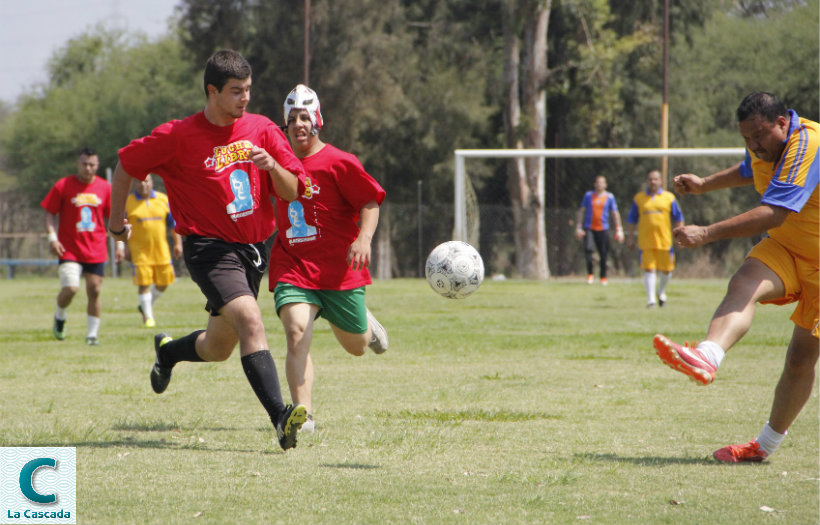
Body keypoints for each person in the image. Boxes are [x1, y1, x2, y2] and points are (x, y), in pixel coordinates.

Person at [107, 49, 309, 451]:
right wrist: (116, 223)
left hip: (253, 250)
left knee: (218, 347)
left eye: (249, 90)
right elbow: (126, 166)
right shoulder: (178, 136)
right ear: (212, 91)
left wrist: (273, 167)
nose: (245, 98)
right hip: (208, 249)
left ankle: (168, 353)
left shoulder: (263, 129)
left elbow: (294, 190)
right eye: (236, 91)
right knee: (252, 321)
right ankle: (281, 419)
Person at [654, 92, 819, 463]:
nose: (753, 146)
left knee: (800, 359)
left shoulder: (808, 144)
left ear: (782, 123)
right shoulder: (765, 145)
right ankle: (708, 356)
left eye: (758, 137)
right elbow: (749, 170)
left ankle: (765, 445)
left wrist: (707, 233)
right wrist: (704, 183)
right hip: (790, 248)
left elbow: (774, 212)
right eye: (745, 139)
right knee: (745, 280)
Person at [270, 84, 388, 434]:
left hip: (339, 273)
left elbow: (370, 201)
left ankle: (365, 323)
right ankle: (303, 415)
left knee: (357, 346)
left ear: (317, 119)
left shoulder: (340, 162)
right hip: (293, 265)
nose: (299, 124)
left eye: (305, 116)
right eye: (292, 118)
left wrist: (363, 238)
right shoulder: (276, 165)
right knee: (296, 332)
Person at [42, 147, 124, 345]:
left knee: (94, 289)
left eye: (92, 165)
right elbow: (49, 213)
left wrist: (120, 245)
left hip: (95, 248)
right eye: (84, 164)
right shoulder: (63, 185)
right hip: (69, 248)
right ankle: (60, 316)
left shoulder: (105, 188)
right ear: (78, 164)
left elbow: (115, 219)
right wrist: (52, 238)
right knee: (70, 288)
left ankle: (92, 335)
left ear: (97, 165)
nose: (88, 168)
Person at [123, 174, 183, 327]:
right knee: (144, 284)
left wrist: (178, 244)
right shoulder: (128, 202)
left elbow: (173, 225)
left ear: (152, 182)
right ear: (135, 183)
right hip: (139, 252)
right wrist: (123, 247)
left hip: (161, 250)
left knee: (164, 282)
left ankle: (145, 306)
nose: (143, 184)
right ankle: (149, 318)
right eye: (139, 181)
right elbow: (121, 227)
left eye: (146, 181)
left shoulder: (163, 199)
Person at [626, 169, 684, 307]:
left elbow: (679, 218)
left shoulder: (669, 198)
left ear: (660, 181)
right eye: (650, 179)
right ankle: (651, 300)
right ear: (647, 181)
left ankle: (661, 292)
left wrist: (681, 236)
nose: (653, 182)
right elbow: (632, 220)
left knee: (667, 270)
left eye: (656, 179)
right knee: (649, 269)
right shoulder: (639, 198)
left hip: (665, 241)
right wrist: (630, 237)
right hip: (645, 241)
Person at [574, 175, 625, 285]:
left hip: (603, 229)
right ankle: (590, 274)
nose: (599, 184)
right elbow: (582, 211)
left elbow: (615, 213)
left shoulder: (610, 197)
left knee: (603, 254)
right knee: (588, 251)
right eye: (597, 182)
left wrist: (619, 229)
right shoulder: (588, 196)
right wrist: (578, 227)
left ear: (605, 185)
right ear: (594, 184)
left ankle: (603, 277)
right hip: (589, 228)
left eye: (602, 182)